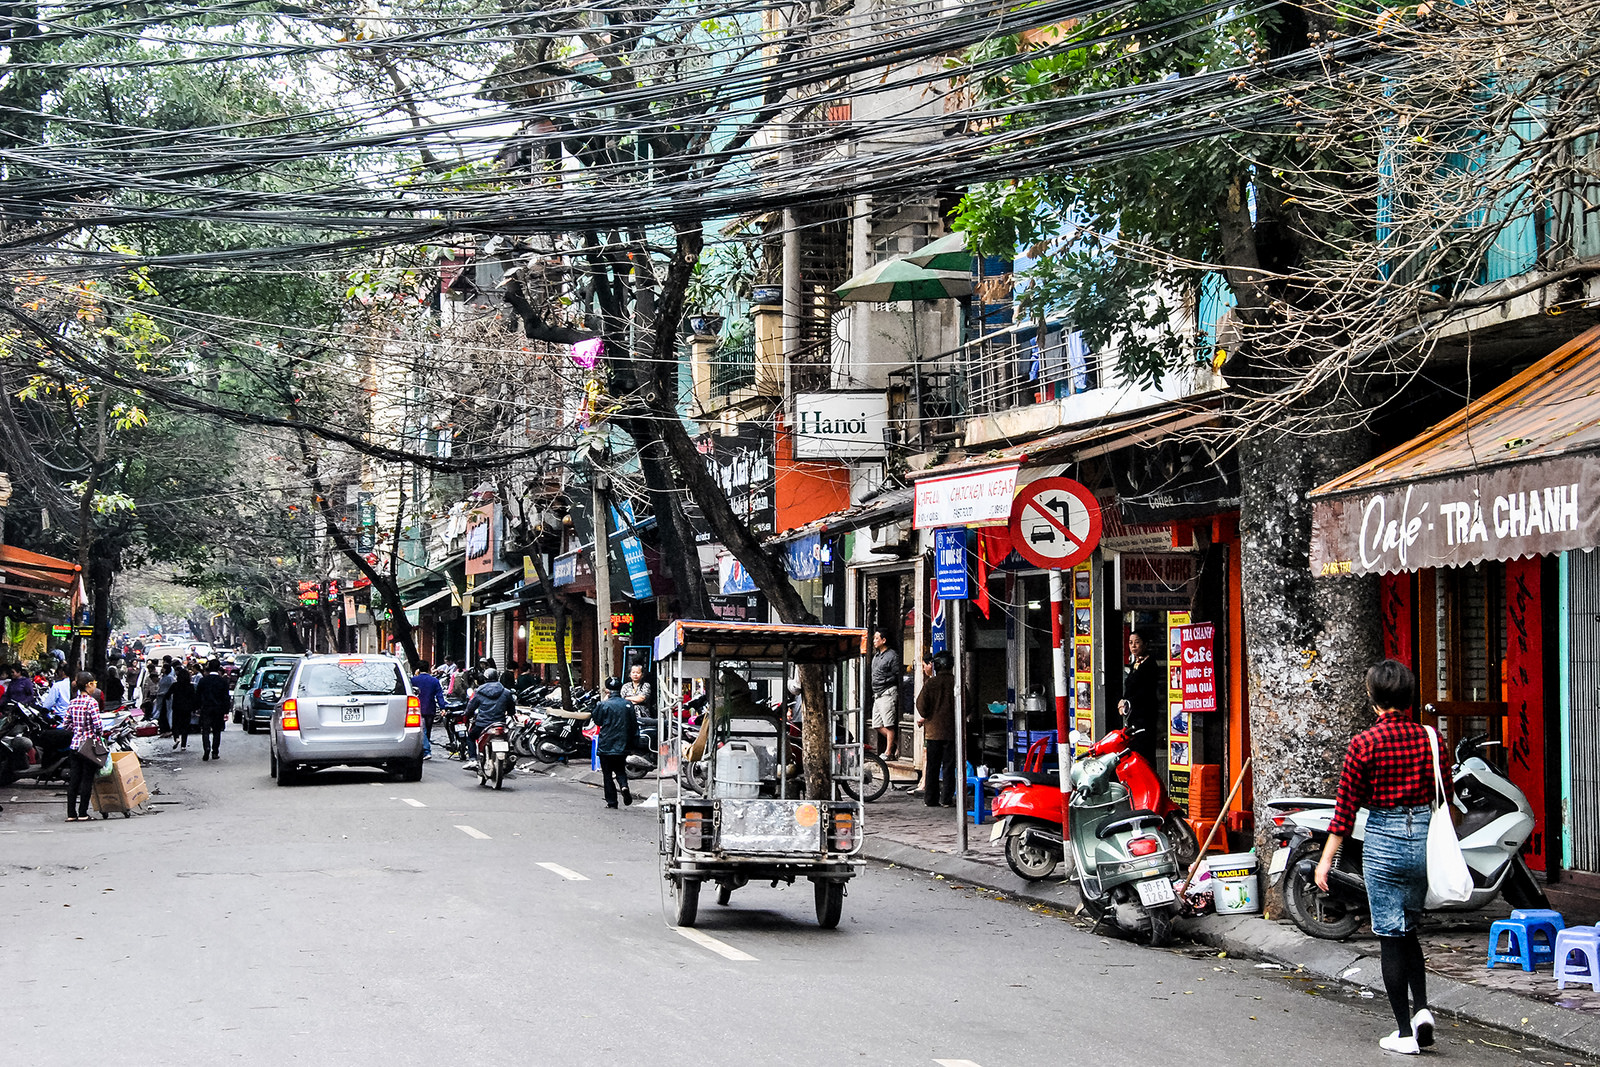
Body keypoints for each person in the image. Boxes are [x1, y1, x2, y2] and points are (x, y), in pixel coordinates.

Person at [1314, 659, 1436, 1056]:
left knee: (1389, 933)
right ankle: (1422, 1011)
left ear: (1373, 700)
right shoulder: (1431, 739)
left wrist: (1326, 861)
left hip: (1383, 839)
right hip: (1422, 839)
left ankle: (1404, 1032)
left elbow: (1344, 813)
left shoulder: (1363, 744)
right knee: (1409, 928)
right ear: (1409, 696)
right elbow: (1444, 796)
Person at [915, 651, 957, 807]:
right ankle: (947, 799)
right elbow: (967, 704)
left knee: (932, 766)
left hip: (933, 732)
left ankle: (930, 799)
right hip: (952, 732)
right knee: (949, 766)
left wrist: (928, 715)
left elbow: (921, 705)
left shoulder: (931, 684)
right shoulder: (956, 682)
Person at [64, 671, 106, 823]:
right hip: (89, 748)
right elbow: (98, 725)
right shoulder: (91, 702)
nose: (95, 686)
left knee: (74, 780)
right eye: (94, 684)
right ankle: (83, 813)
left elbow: (66, 724)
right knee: (86, 780)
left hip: (75, 746)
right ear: (88, 685)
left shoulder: (73, 702)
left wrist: (76, 731)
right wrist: (97, 734)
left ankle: (71, 813)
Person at [1118, 630, 1164, 764]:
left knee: (1144, 751)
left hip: (1145, 716)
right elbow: (1129, 687)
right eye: (1131, 643)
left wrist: (1128, 702)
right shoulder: (1135, 664)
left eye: (1137, 643)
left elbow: (1144, 692)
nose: (1133, 646)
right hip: (1133, 716)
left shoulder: (1150, 665)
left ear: (1145, 645)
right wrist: (1123, 701)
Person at [590, 677, 636, 808]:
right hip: (623, 743)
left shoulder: (603, 705)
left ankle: (612, 801)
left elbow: (597, 721)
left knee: (607, 774)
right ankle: (624, 786)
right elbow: (633, 725)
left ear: (607, 690)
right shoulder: (627, 704)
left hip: (606, 744)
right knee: (620, 770)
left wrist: (602, 702)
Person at [462, 667, 513, 767]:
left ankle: (473, 759)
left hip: (482, 724)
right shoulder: (506, 692)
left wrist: (466, 714)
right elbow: (511, 709)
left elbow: (470, 707)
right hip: (500, 724)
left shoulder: (479, 691)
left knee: (471, 737)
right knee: (509, 739)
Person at [869, 631, 900, 760]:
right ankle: (897, 743)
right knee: (877, 724)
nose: (874, 641)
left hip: (887, 692)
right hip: (877, 694)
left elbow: (896, 673)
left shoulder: (892, 656)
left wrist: (885, 681)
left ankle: (888, 752)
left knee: (889, 724)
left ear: (884, 640)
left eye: (877, 638)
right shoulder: (876, 656)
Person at [195, 659, 230, 760]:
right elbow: (226, 697)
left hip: (206, 708)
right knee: (216, 731)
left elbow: (198, 695)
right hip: (218, 709)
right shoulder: (222, 681)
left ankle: (206, 748)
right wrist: (226, 711)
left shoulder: (203, 681)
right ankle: (215, 752)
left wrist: (197, 707)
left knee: (205, 730)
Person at [411, 659, 444, 760]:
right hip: (430, 708)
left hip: (417, 708)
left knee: (422, 730)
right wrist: (443, 708)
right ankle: (425, 748)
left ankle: (426, 750)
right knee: (427, 730)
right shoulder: (434, 680)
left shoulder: (413, 680)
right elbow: (439, 695)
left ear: (418, 669)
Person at [169, 665, 196, 750]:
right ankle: (183, 745)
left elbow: (167, 695)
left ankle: (176, 738)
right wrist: (194, 708)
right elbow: (193, 698)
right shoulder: (190, 686)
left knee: (175, 724)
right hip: (187, 708)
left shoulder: (175, 685)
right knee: (185, 726)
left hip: (177, 707)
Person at [156, 657, 176, 735]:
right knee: (162, 713)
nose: (161, 669)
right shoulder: (162, 677)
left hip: (167, 698)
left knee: (166, 713)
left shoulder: (170, 678)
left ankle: (168, 729)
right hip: (161, 698)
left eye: (163, 668)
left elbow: (172, 687)